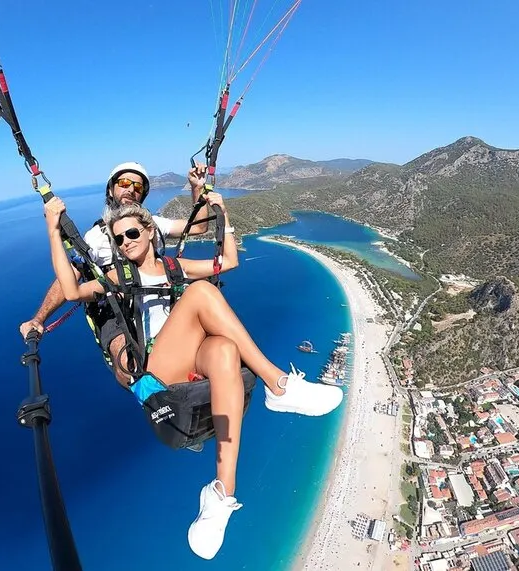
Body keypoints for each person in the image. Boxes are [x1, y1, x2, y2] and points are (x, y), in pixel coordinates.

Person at [42, 194, 345, 560]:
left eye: (133, 232)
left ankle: (221, 492)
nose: (126, 242)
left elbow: (229, 261)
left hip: (188, 359)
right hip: (156, 373)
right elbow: (73, 291)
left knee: (224, 352)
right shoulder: (117, 277)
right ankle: (277, 384)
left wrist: (223, 213)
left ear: (150, 231)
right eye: (119, 239)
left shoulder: (173, 267)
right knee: (202, 293)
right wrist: (53, 229)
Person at [20, 161, 212, 385]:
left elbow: (199, 227)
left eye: (137, 187)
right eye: (123, 183)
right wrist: (39, 318)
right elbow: (69, 279)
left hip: (159, 295)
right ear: (111, 189)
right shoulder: (95, 237)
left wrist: (197, 188)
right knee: (124, 357)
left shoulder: (154, 225)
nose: (130, 189)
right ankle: (154, 396)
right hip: (115, 307)